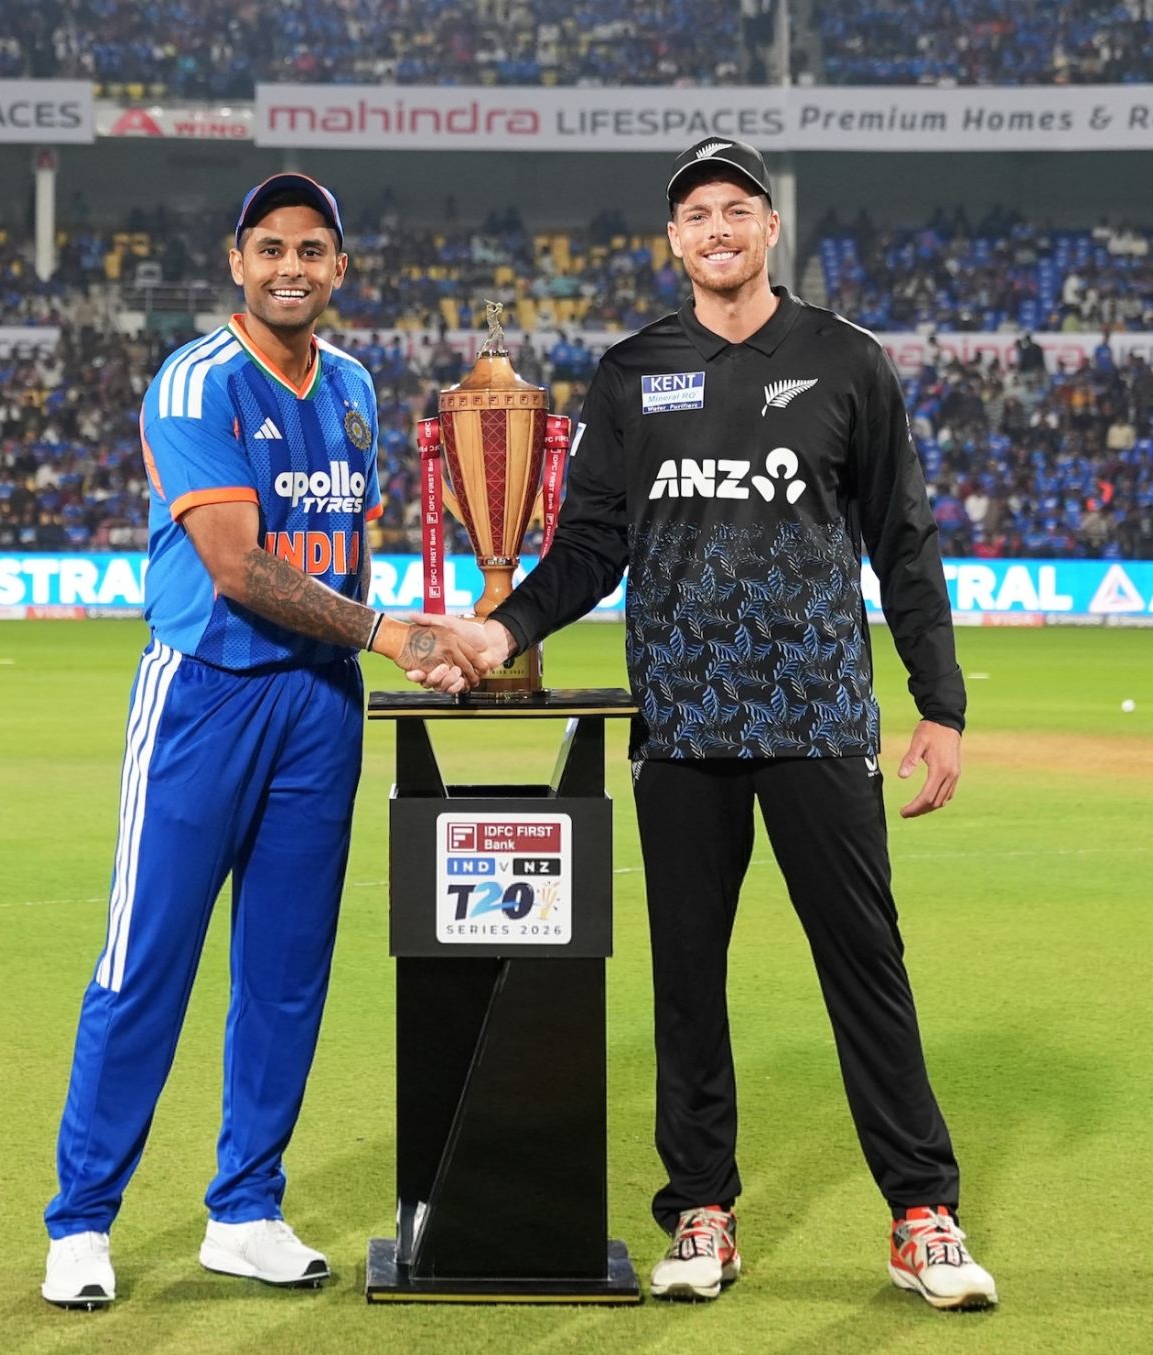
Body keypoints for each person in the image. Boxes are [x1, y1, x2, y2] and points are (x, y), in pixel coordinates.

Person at [416, 139, 997, 1311]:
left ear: (768, 228)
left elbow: (903, 543)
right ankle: (699, 1208)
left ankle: (920, 1211)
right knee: (686, 976)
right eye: (696, 212)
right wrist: (500, 627)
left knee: (864, 969)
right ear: (672, 240)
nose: (717, 227)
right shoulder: (632, 373)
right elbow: (589, 544)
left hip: (819, 721)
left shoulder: (846, 361)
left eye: (737, 208)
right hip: (680, 726)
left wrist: (939, 705)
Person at [42, 172, 488, 1309]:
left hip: (318, 707)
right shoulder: (193, 381)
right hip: (204, 695)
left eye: (313, 249)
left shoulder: (350, 387)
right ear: (238, 262)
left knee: (285, 975)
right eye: (271, 246)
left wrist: (404, 635)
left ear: (338, 269)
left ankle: (243, 1207)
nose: (291, 265)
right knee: (144, 963)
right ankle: (82, 1221)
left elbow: (350, 539)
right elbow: (237, 565)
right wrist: (392, 633)